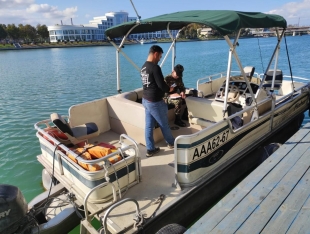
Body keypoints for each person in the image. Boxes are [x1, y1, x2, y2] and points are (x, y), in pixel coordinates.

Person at [140, 45, 175, 157]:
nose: (160, 58)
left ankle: (150, 149)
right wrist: (170, 89)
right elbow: (162, 86)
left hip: (146, 100)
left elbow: (149, 84)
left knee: (149, 126)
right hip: (155, 102)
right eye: (160, 56)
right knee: (164, 123)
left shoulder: (143, 67)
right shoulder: (155, 67)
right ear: (155, 54)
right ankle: (171, 143)